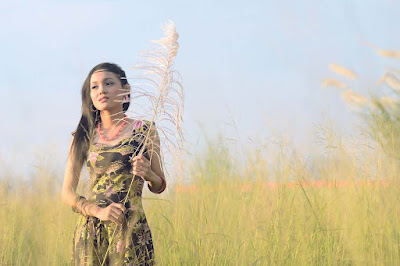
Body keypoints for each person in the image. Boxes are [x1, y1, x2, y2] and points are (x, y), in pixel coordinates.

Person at [61, 62, 166, 265]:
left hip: (131, 230)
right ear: (90, 95)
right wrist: (98, 212)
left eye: (108, 83)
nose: (101, 90)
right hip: (92, 231)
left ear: (125, 89)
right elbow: (67, 193)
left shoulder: (145, 130)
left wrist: (149, 175)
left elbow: (160, 185)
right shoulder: (83, 135)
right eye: (95, 87)